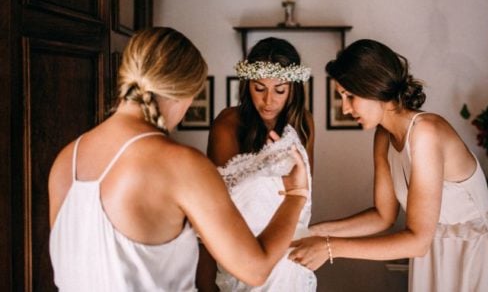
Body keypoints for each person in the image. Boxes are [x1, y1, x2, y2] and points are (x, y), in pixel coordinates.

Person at [48, 27, 309, 291]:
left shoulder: (66, 160)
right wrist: (296, 194)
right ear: (183, 92)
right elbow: (256, 270)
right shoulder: (181, 164)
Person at [289, 39, 488, 292]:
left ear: (374, 88)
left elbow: (417, 241)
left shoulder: (426, 133)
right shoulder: (383, 136)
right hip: (432, 257)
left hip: (473, 257)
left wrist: (330, 247)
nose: (345, 109)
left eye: (349, 96)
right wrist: (312, 232)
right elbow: (382, 216)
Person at [196, 37, 316, 292]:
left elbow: (304, 196)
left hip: (289, 248)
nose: (268, 100)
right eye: (259, 88)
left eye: (279, 90)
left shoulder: (304, 124)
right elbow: (217, 207)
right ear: (247, 84)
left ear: (293, 88)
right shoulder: (228, 124)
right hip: (242, 250)